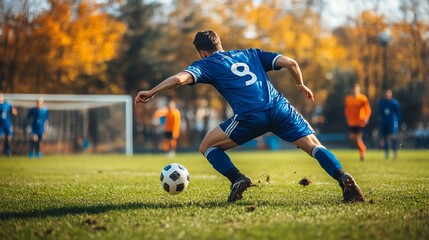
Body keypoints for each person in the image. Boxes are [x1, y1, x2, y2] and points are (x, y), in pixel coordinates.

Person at [135, 30, 365, 203]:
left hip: (251, 116)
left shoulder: (206, 63)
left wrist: (153, 91)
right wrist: (301, 84)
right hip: (280, 109)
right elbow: (291, 63)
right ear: (220, 44)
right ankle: (342, 176)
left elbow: (179, 79)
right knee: (314, 146)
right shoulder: (251, 53)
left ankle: (237, 178)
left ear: (202, 52)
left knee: (207, 146)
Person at [344, 83, 372, 161]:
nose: (355, 91)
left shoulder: (363, 99)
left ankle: (362, 152)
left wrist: (366, 118)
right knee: (352, 137)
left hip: (360, 122)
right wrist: (348, 117)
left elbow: (368, 110)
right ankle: (363, 148)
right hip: (352, 122)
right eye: (353, 89)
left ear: (359, 90)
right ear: (352, 90)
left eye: (356, 89)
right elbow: (347, 109)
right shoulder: (348, 99)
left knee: (358, 138)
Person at [378, 89, 401, 159]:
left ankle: (395, 151)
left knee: (393, 137)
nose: (387, 95)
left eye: (389, 93)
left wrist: (398, 122)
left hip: (392, 122)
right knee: (385, 138)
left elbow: (398, 113)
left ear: (391, 94)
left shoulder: (394, 102)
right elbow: (380, 112)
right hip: (384, 122)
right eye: (386, 94)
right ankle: (386, 153)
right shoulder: (382, 102)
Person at [0, 92, 17, 157]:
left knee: (9, 137)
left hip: (7, 124)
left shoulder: (7, 104)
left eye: (1, 96)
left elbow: (13, 111)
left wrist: (14, 111)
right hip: (0, 125)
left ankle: (7, 151)